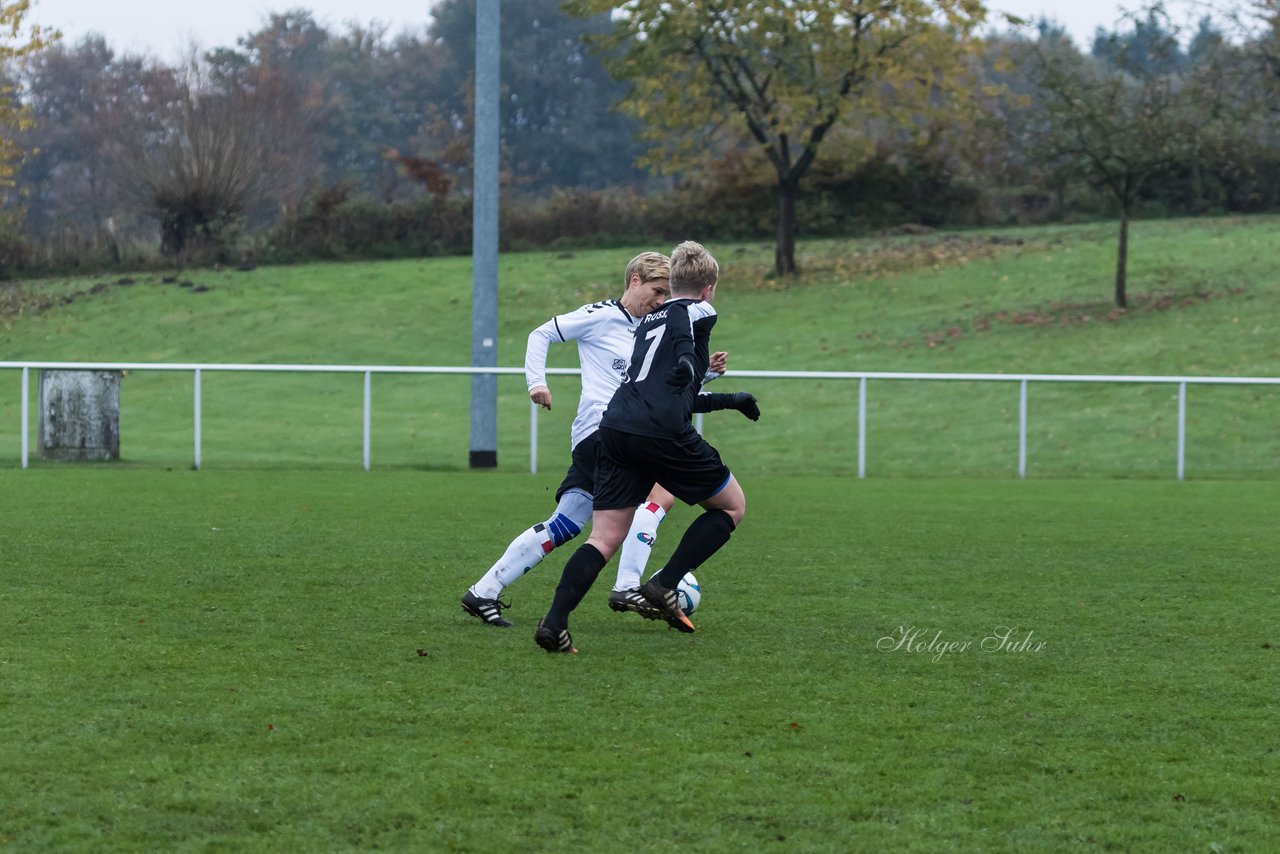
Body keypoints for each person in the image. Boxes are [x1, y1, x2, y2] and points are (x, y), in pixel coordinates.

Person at [460, 252, 757, 627]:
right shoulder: (602, 315)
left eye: (667, 293)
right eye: (656, 290)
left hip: (617, 433)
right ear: (634, 280)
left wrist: (706, 376)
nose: (662, 300)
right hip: (604, 432)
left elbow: (661, 388)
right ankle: (635, 585)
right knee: (659, 497)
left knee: (568, 523)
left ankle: (484, 590)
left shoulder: (654, 324)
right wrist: (537, 382)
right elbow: (541, 334)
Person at [535, 241, 748, 654]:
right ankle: (665, 582)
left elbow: (666, 387)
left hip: (614, 427)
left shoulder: (647, 321)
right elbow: (686, 332)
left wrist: (727, 397)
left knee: (604, 536)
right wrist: (692, 359)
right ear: (708, 288)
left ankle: (555, 622)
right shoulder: (697, 310)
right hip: (660, 432)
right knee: (732, 506)